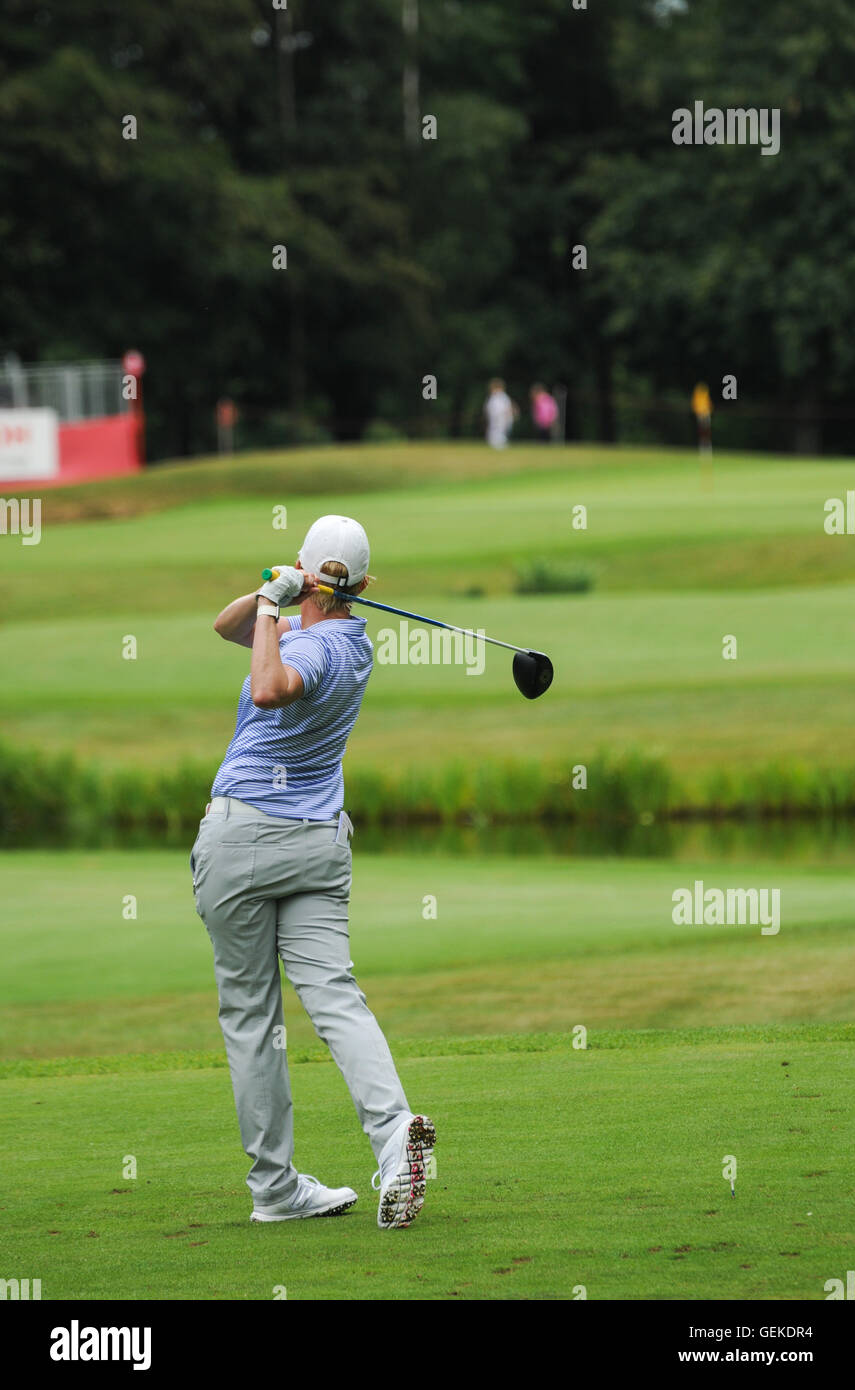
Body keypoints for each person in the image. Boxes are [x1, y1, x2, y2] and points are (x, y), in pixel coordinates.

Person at [190, 514, 436, 1228]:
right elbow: (226, 626)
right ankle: (394, 1140)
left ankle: (273, 1188)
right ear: (362, 586)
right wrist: (273, 589)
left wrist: (276, 601)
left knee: (250, 1018)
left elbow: (267, 687)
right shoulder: (344, 638)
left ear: (314, 574)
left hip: (239, 840)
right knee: (334, 995)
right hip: (315, 845)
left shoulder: (318, 650)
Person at [483, 377, 515, 448]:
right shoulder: (493, 397)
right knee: (494, 431)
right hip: (494, 418)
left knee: (500, 431)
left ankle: (500, 444)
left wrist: (508, 417)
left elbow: (508, 408)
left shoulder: (503, 397)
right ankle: (495, 443)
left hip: (502, 418)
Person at [691, 381, 713, 456]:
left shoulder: (705, 394)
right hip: (701, 414)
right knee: (702, 431)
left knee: (706, 431)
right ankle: (703, 445)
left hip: (705, 413)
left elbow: (709, 404)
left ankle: (707, 445)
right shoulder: (697, 395)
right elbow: (695, 405)